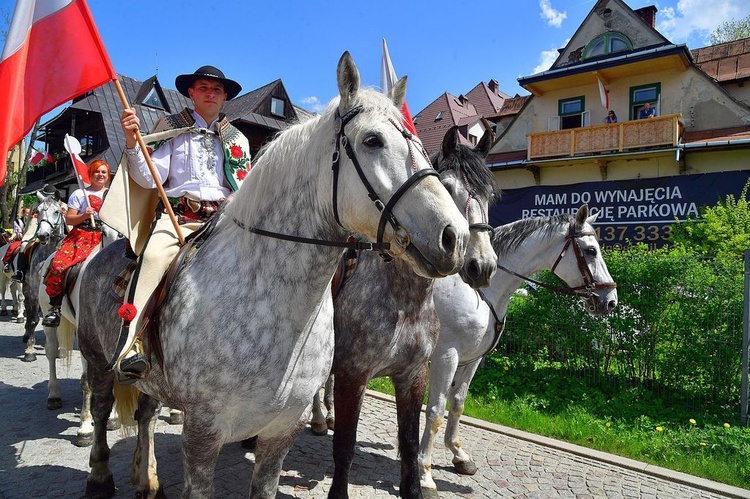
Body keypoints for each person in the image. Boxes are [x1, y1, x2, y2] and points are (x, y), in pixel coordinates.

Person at [103, 65, 252, 383]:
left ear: (225, 97)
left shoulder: (237, 139)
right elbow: (146, 177)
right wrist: (132, 142)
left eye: (216, 90)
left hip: (224, 223)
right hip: (180, 219)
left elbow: (245, 189)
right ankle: (132, 345)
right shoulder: (171, 126)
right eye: (203, 88)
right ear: (191, 93)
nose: (210, 94)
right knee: (154, 258)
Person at [41, 160, 111, 327]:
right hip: (83, 235)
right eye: (97, 172)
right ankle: (55, 307)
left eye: (104, 172)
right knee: (58, 265)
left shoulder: (114, 194)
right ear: (91, 174)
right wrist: (84, 216)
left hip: (109, 234)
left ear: (108, 176)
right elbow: (70, 219)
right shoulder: (80, 194)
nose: (100, 175)